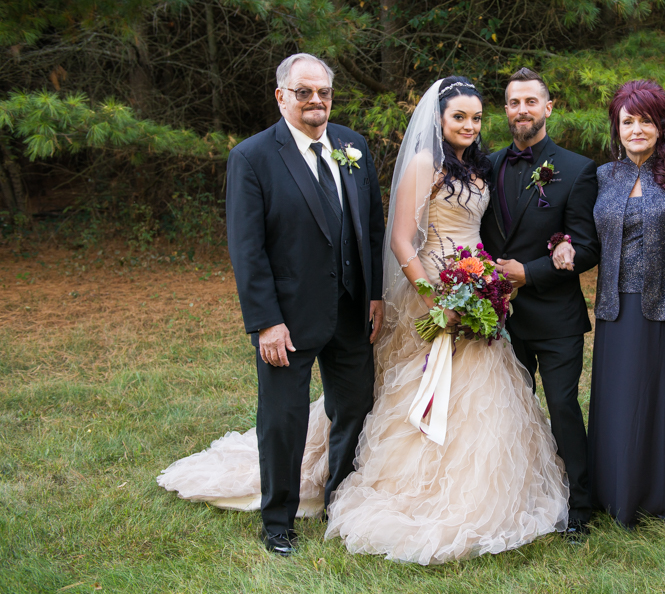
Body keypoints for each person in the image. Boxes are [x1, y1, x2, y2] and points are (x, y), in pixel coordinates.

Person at [159, 76, 569, 565]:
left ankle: (460, 489)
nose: (469, 124)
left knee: (465, 395)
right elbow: (398, 238)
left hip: (473, 287)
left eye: (477, 117)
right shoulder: (424, 163)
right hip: (431, 290)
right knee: (404, 392)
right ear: (438, 119)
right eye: (459, 116)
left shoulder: (479, 165)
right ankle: (300, 508)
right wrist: (433, 294)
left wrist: (490, 282)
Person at [163, 52, 386, 556]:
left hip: (352, 311)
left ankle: (341, 501)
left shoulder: (354, 146)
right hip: (288, 316)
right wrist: (266, 322)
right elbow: (247, 248)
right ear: (281, 95)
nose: (316, 101)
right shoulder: (253, 156)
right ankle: (278, 520)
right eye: (304, 91)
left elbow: (372, 227)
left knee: (354, 407)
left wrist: (375, 294)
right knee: (283, 418)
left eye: (324, 92)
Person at [479, 67, 599, 538]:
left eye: (531, 101)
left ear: (548, 108)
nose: (521, 110)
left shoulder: (576, 168)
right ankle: (519, 494)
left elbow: (588, 247)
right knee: (508, 411)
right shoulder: (485, 165)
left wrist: (530, 273)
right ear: (505, 110)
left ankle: (581, 506)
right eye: (513, 102)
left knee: (563, 407)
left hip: (555, 317)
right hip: (497, 318)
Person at [586, 80, 665, 527]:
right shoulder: (604, 175)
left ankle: (661, 498)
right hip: (613, 307)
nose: (635, 130)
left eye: (644, 121)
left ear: (660, 124)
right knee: (616, 402)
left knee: (658, 401)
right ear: (617, 127)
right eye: (627, 121)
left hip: (662, 308)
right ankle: (612, 494)